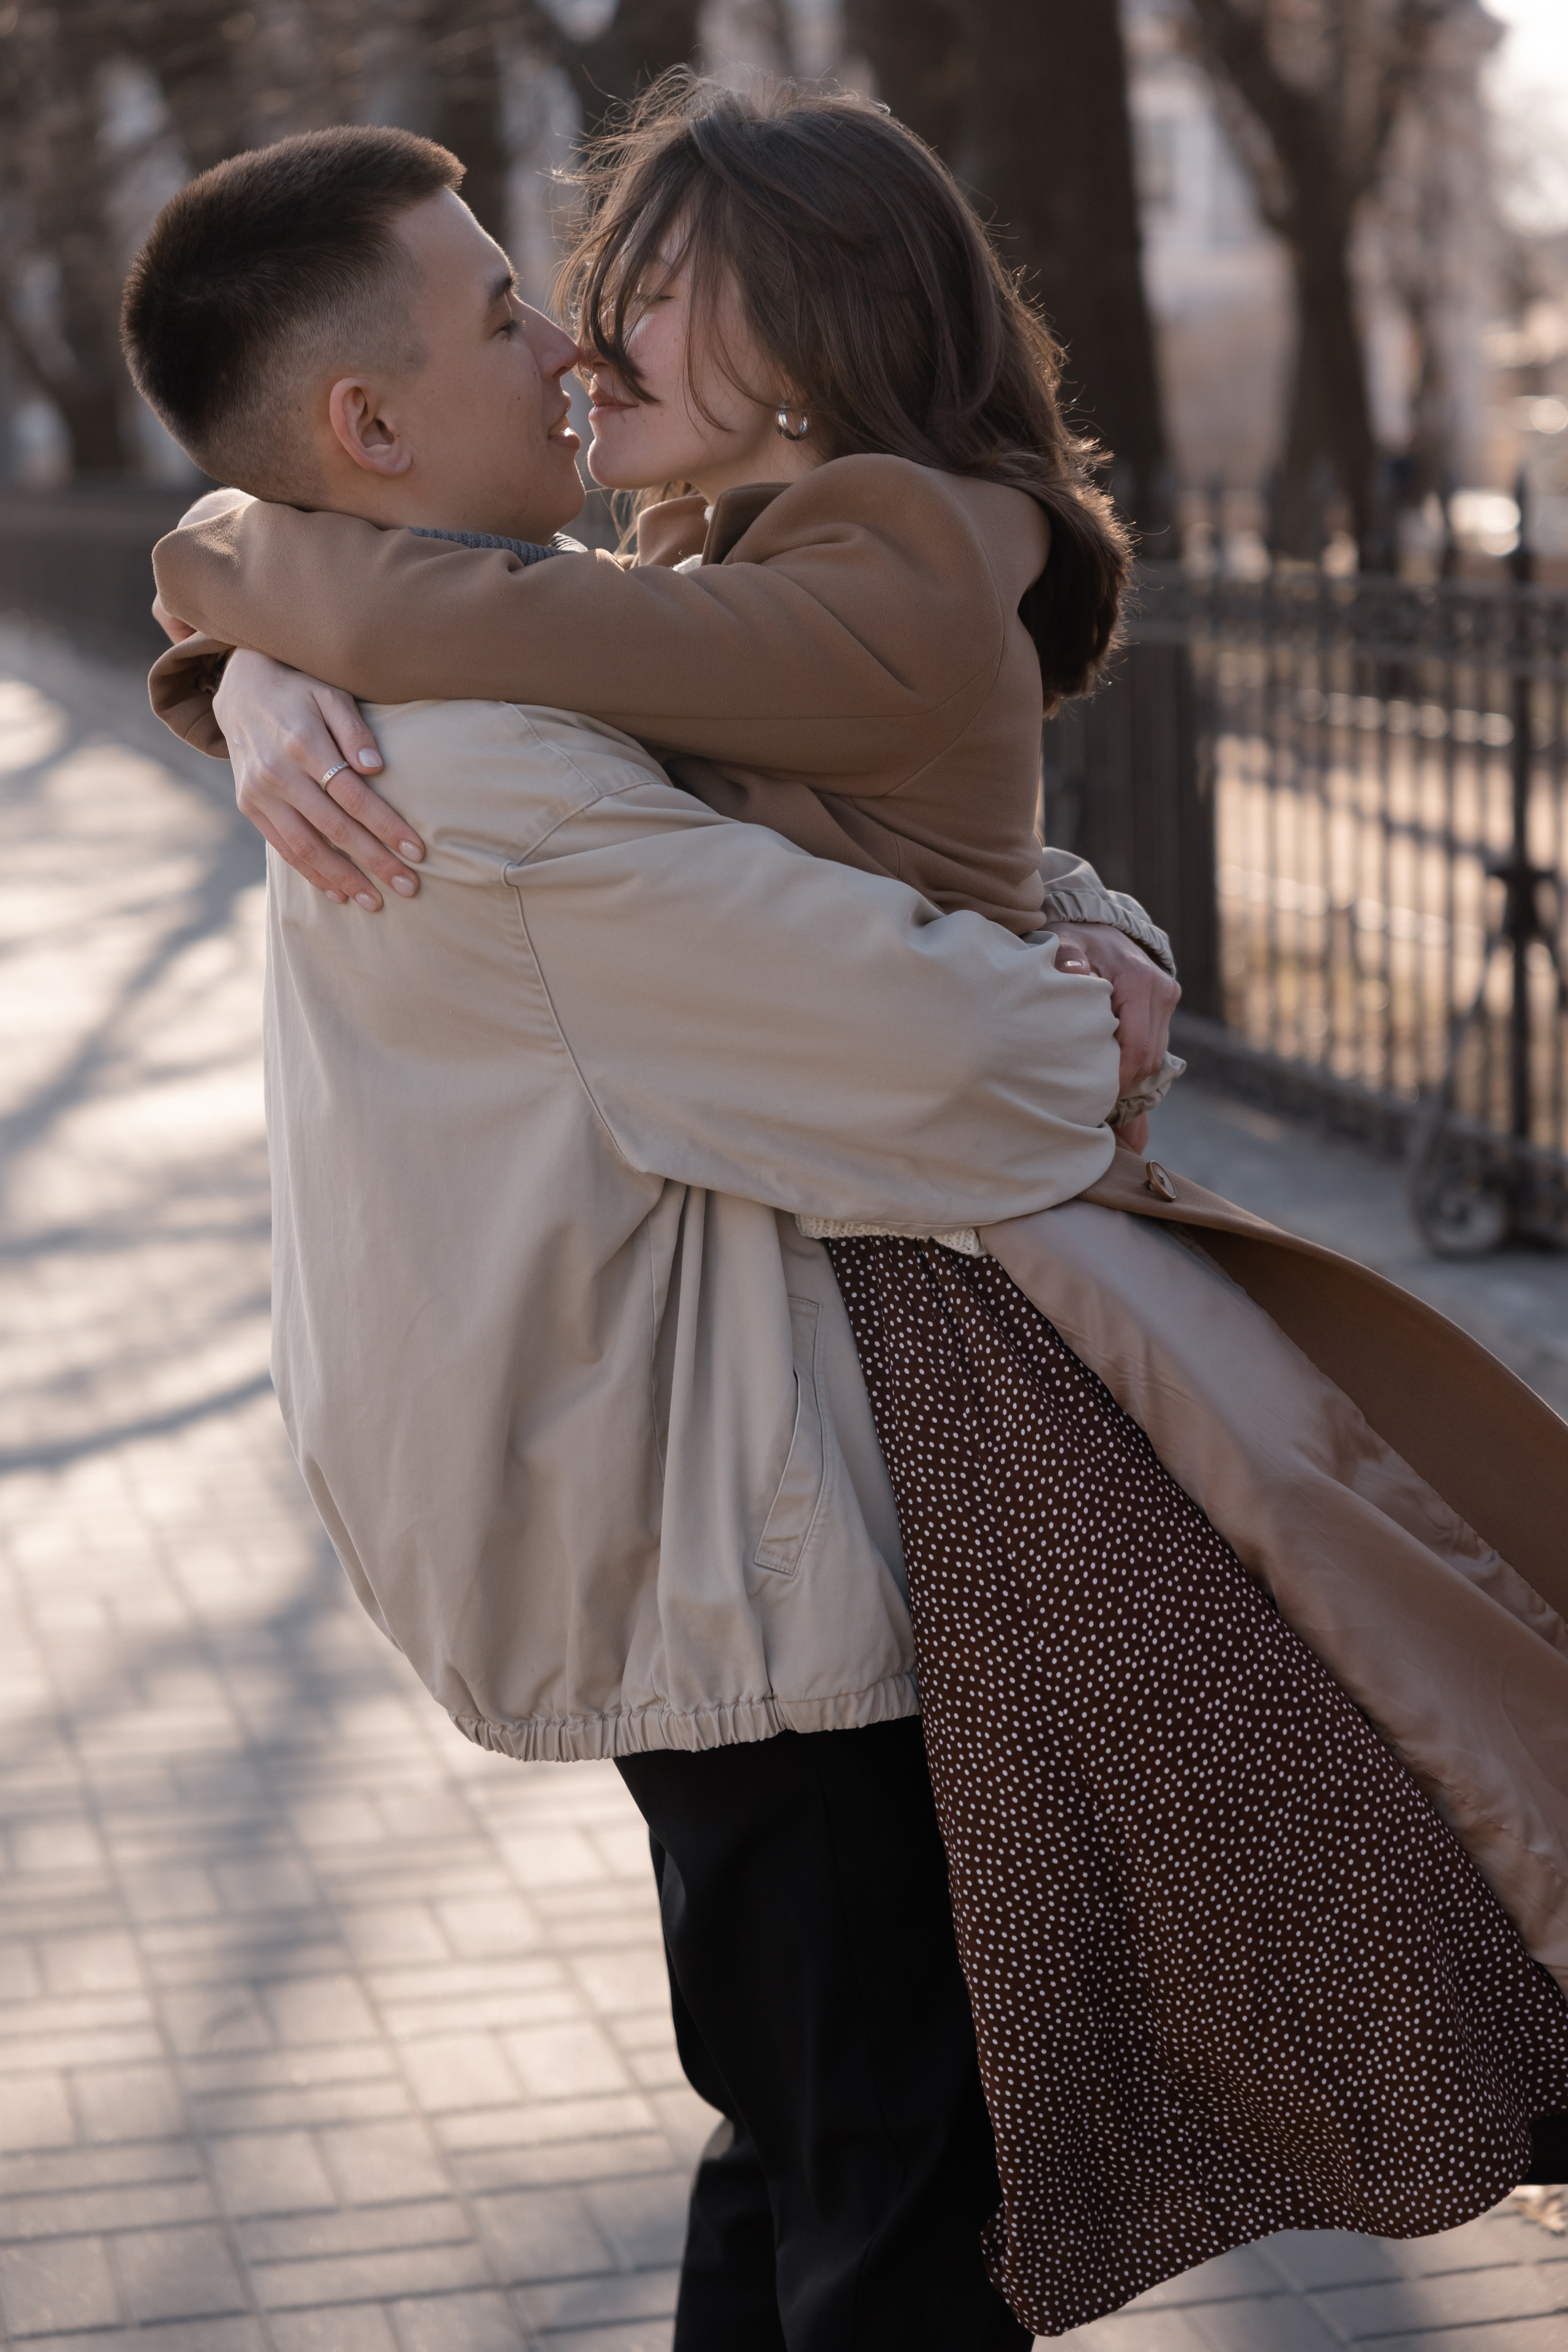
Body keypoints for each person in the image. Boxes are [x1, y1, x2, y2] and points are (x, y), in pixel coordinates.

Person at [130, 89, 1568, 2343]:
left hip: (708, 1502)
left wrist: (244, 606)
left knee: (823, 2135)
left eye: (607, 291)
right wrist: (247, 625)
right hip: (725, 1540)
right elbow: (982, 1080)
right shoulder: (494, 761)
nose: (571, 339)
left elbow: (850, 833)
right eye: (516, 309)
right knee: (890, 2178)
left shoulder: (606, 638)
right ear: (371, 419)